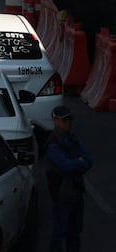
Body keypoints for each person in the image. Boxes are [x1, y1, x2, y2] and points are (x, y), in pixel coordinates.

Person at [46, 104, 92, 252]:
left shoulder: (73, 139)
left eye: (69, 120)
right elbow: (65, 165)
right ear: (55, 120)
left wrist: (77, 164)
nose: (68, 123)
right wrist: (77, 163)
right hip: (61, 195)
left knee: (75, 232)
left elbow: (88, 161)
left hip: (76, 193)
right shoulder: (52, 144)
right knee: (60, 233)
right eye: (64, 120)